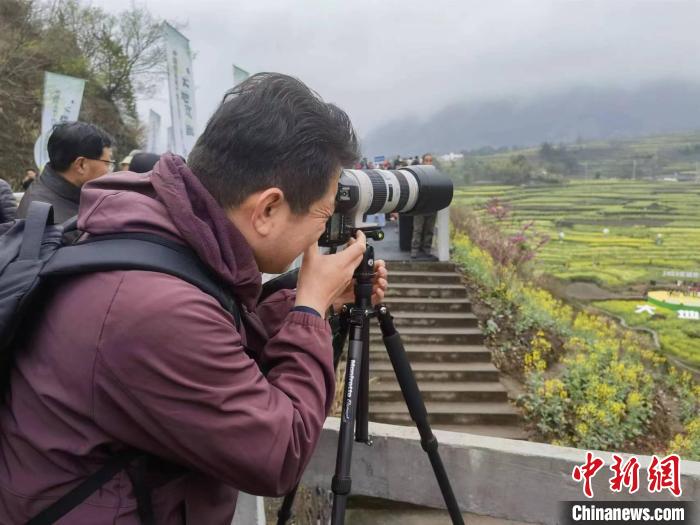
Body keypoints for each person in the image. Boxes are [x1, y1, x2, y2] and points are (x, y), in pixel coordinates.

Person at [0, 73, 389, 524]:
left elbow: (217, 342)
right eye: (322, 214)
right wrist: (309, 311)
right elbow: (279, 454)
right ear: (266, 209)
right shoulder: (155, 308)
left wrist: (309, 301)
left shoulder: (158, 234)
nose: (323, 230)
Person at [16, 122, 114, 223]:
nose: (110, 171)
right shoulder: (56, 224)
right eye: (107, 163)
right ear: (81, 165)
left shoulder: (48, 192)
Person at [410, 152, 437, 260]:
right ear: (423, 161)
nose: (428, 163)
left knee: (429, 230)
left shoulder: (436, 175)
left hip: (432, 207)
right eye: (427, 160)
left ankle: (427, 249)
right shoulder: (418, 174)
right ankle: (414, 250)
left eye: (430, 160)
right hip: (420, 207)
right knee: (418, 229)